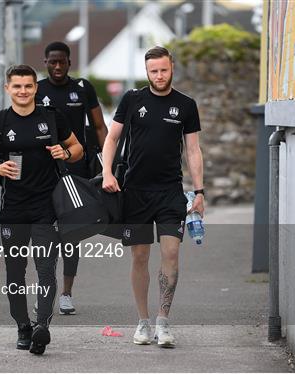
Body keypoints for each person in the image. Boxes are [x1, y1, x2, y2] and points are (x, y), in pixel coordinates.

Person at [102, 46, 204, 347]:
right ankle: (143, 322)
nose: (159, 75)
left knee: (171, 254)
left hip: (171, 192)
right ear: (147, 72)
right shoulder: (133, 100)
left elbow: (193, 150)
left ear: (172, 66)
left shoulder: (186, 105)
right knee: (140, 257)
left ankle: (163, 322)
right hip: (136, 192)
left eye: (163, 69)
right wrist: (107, 172)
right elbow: (112, 138)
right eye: (153, 71)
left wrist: (199, 191)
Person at [0, 64, 83, 355]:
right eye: (17, 87)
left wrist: (65, 152)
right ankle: (22, 325)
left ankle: (42, 327)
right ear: (7, 89)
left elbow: (78, 149)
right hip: (12, 209)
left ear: (36, 88)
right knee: (15, 272)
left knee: (46, 269)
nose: (23, 91)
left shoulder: (51, 119)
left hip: (46, 208)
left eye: (28, 86)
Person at [35, 41, 108, 315]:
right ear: (45, 62)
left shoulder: (83, 88)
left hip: (76, 169)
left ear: (68, 62)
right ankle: (45, 289)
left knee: (71, 234)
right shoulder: (37, 90)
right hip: (44, 172)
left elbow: (100, 126)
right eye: (52, 62)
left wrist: (109, 161)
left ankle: (66, 293)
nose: (57, 66)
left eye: (61, 62)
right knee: (44, 233)